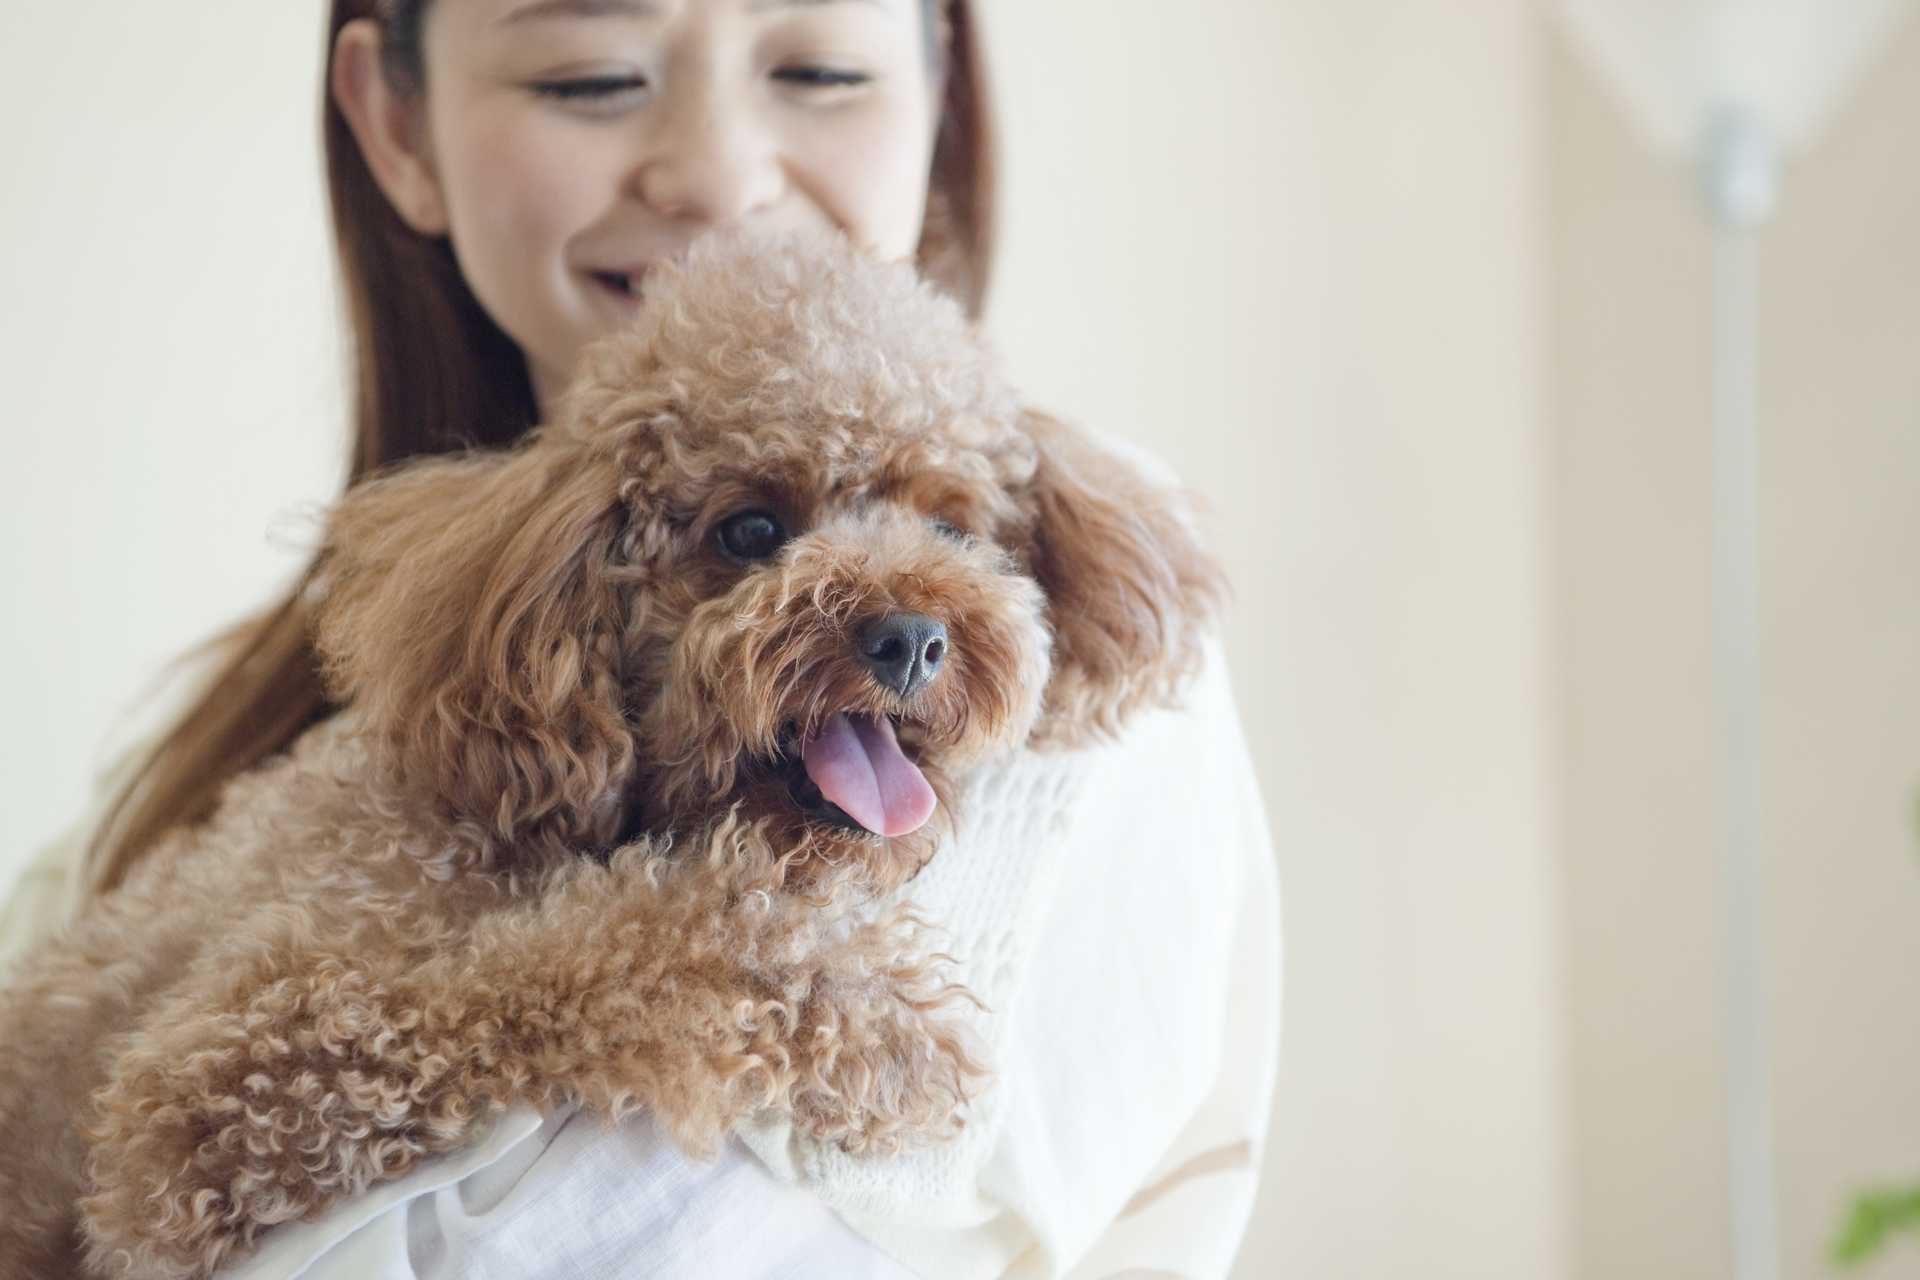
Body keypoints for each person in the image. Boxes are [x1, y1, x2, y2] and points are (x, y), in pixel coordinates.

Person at [0, 0, 1280, 1275]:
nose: (719, 175)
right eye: (592, 75)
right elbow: (194, 1145)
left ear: (942, 95)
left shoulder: (1091, 735)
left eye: (821, 67)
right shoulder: (233, 759)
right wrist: (690, 973)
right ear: (398, 122)